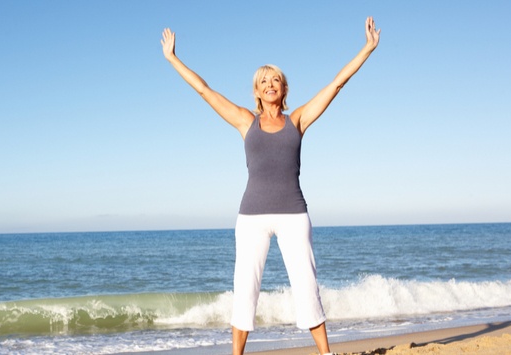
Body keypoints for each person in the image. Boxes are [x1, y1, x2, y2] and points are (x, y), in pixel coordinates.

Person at [161, 17, 380, 355]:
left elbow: (336, 84)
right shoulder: (245, 122)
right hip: (251, 218)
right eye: (264, 80)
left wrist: (367, 48)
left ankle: (326, 353)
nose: (270, 84)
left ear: (284, 89)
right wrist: (173, 58)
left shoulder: (298, 120)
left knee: (307, 288)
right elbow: (205, 91)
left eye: (276, 79)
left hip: (293, 214)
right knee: (245, 290)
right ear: (256, 90)